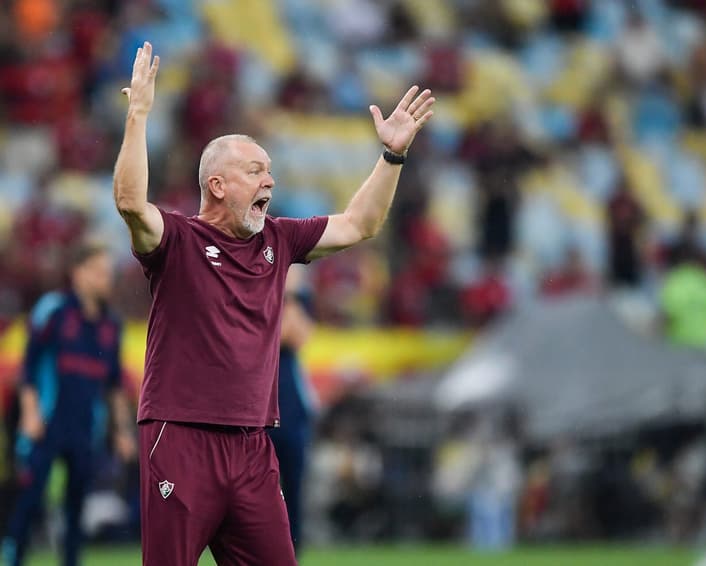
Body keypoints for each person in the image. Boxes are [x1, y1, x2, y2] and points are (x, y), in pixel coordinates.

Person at [113, 42, 434, 566]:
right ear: (216, 185)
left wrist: (392, 155)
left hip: (252, 445)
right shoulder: (178, 240)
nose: (270, 180)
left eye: (270, 171)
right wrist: (139, 115)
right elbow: (130, 203)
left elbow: (359, 224)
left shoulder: (279, 240)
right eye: (256, 171)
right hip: (181, 435)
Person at [1, 242, 135, 566]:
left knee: (76, 510)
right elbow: (29, 369)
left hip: (86, 428)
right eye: (100, 272)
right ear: (79, 273)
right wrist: (30, 416)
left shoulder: (111, 325)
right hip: (46, 424)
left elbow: (114, 385)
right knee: (30, 502)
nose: (107, 279)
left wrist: (122, 431)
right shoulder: (53, 311)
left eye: (109, 273)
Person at [267, 266, 316, 554]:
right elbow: (274, 334)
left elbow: (296, 335)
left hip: (292, 410)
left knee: (294, 488)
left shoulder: (297, 301)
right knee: (261, 489)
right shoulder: (261, 294)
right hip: (263, 411)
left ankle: (292, 553)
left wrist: (289, 297)